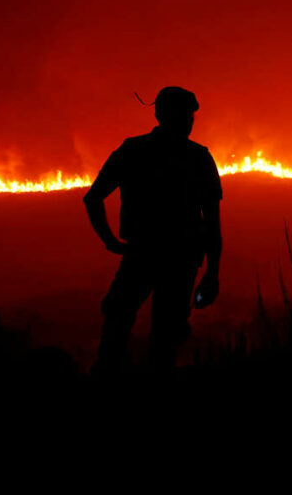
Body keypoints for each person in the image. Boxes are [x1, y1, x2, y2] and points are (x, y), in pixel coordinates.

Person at [84, 86, 222, 375]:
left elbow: (93, 198)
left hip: (146, 254)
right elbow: (212, 222)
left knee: (122, 318)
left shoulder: (134, 151)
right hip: (178, 258)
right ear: (164, 114)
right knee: (163, 332)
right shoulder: (198, 157)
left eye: (190, 116)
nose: (188, 121)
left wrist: (110, 240)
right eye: (185, 115)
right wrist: (212, 272)